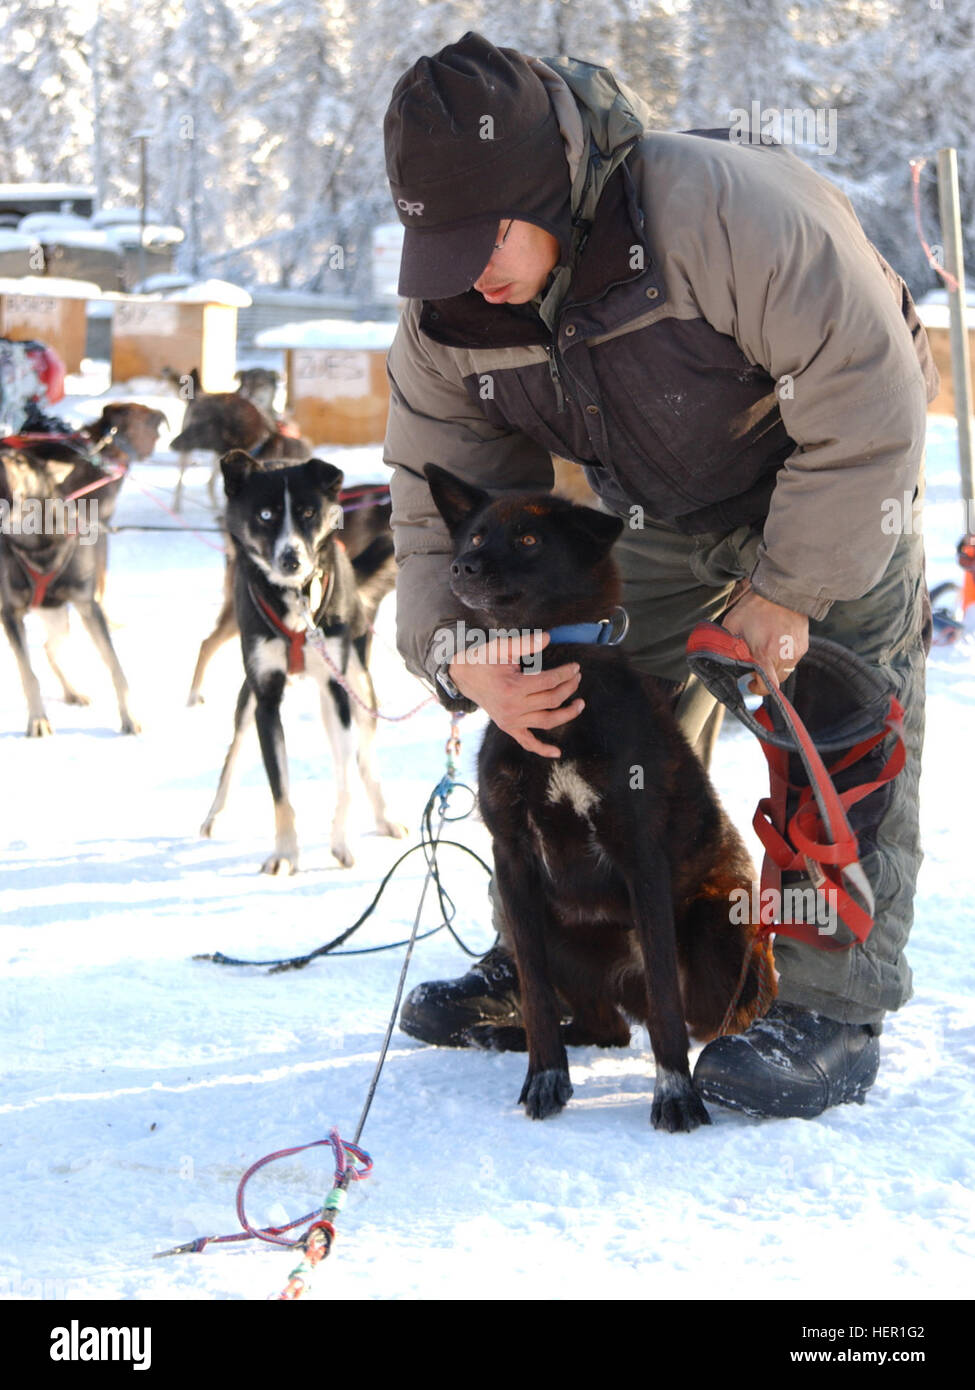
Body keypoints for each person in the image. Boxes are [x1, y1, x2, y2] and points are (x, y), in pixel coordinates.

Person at [380, 33, 938, 1118]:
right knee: (569, 709)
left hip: (823, 486)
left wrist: (789, 591)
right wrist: (464, 656)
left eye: (483, 237)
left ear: (549, 187)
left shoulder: (728, 215)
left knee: (841, 734)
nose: (467, 273)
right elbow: (433, 506)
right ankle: (564, 973)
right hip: (642, 511)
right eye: (436, 246)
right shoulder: (448, 314)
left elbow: (872, 409)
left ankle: (825, 1004)